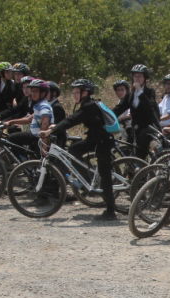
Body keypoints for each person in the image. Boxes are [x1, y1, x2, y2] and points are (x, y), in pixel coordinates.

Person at [42, 78, 118, 220]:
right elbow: (71, 118)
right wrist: (55, 127)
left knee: (105, 175)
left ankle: (110, 211)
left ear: (86, 92)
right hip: (94, 139)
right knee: (73, 150)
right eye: (74, 92)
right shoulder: (87, 104)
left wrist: (51, 131)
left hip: (103, 142)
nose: (74, 95)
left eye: (77, 92)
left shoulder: (89, 106)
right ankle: (86, 178)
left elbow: (72, 120)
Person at [114, 64, 160, 159]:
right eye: (135, 76)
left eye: (140, 76)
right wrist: (106, 116)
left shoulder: (149, 92)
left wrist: (139, 91)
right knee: (133, 155)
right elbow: (119, 108)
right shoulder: (130, 95)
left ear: (145, 78)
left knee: (139, 156)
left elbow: (149, 106)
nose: (137, 78)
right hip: (136, 130)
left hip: (149, 129)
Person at [4, 78, 52, 154]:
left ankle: (23, 160)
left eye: (36, 91)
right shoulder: (39, 105)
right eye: (32, 91)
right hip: (34, 135)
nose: (33, 93)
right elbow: (29, 119)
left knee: (12, 138)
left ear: (42, 93)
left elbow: (45, 126)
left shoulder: (44, 106)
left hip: (37, 137)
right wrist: (11, 122)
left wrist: (43, 147)